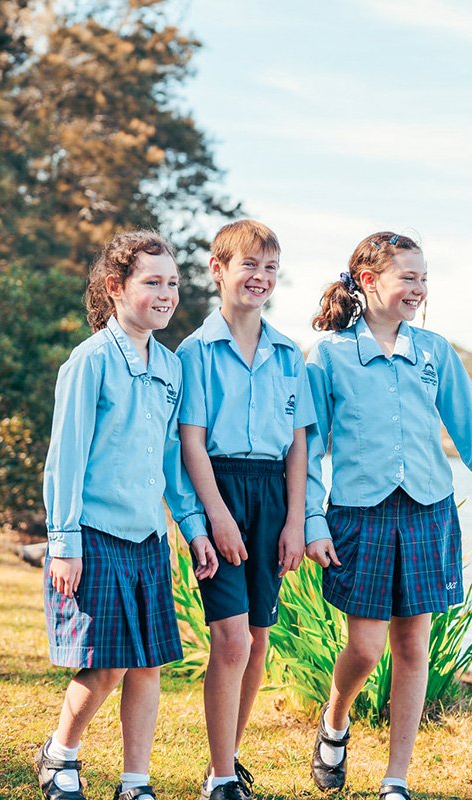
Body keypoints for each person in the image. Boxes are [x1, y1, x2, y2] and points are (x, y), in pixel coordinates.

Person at [302, 231, 472, 800]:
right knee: (364, 649)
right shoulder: (330, 356)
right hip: (360, 514)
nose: (419, 288)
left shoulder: (435, 352)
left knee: (413, 649)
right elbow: (309, 446)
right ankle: (335, 724)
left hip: (429, 513)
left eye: (424, 278)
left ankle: (395, 779)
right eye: (408, 277)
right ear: (368, 280)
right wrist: (311, 519)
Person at [35, 231, 219, 800]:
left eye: (173, 283)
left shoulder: (170, 367)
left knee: (147, 664)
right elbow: (64, 456)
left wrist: (192, 529)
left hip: (147, 539)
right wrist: (64, 541)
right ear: (116, 288)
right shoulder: (88, 363)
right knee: (105, 664)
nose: (167, 294)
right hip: (93, 534)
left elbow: (171, 458)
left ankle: (134, 782)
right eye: (153, 282)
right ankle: (60, 754)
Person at [176, 220, 317, 800]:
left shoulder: (289, 354)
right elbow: (190, 440)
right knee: (230, 640)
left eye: (269, 269)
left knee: (258, 640)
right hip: (221, 487)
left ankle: (226, 763)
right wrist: (217, 516)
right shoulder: (196, 350)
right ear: (219, 271)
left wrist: (296, 522)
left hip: (274, 496)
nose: (259, 278)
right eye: (248, 266)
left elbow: (300, 446)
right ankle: (222, 777)